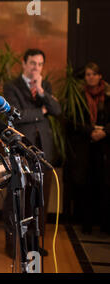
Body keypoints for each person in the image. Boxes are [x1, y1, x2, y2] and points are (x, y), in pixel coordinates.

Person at [2, 49, 62, 258]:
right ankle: (13, 245)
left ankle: (34, 243)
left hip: (42, 153)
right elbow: (16, 116)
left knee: (40, 199)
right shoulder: (11, 86)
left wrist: (42, 93)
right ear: (24, 63)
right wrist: (41, 112)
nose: (36, 67)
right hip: (21, 151)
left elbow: (57, 110)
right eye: (33, 63)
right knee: (17, 198)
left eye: (40, 64)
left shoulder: (45, 86)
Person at [64, 62, 110, 234]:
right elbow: (70, 120)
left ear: (100, 77)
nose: (90, 77)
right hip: (84, 146)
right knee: (86, 186)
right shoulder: (78, 96)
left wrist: (104, 131)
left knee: (105, 186)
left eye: (93, 74)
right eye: (88, 74)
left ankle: (105, 226)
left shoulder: (108, 94)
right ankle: (86, 224)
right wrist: (91, 130)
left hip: (105, 147)